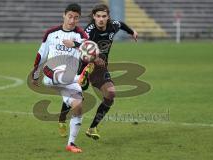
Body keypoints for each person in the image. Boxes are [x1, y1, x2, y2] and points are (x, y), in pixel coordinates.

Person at [58, 4, 138, 140]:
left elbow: (122, 24)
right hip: (83, 66)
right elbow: (82, 46)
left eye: (104, 16)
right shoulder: (89, 31)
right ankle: (61, 119)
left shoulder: (114, 25)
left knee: (110, 93)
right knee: (76, 97)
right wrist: (93, 56)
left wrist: (132, 32)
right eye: (98, 16)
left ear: (108, 17)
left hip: (100, 67)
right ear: (94, 17)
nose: (101, 19)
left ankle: (92, 127)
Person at [31, 3, 93, 153]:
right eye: (70, 16)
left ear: (79, 19)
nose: (72, 20)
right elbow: (41, 55)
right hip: (50, 72)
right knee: (63, 73)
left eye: (76, 18)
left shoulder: (81, 36)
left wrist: (75, 44)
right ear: (64, 15)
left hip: (68, 76)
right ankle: (80, 77)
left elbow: (91, 52)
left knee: (78, 107)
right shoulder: (51, 33)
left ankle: (71, 143)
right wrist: (35, 73)